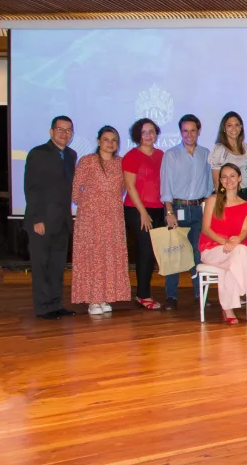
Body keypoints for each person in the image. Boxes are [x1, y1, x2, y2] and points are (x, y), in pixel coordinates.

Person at [199, 163, 247, 323]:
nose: (228, 180)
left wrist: (235, 242)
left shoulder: (245, 205)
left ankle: (228, 310)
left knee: (235, 259)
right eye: (224, 177)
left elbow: (244, 231)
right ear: (220, 180)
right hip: (211, 249)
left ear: (239, 178)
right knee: (239, 252)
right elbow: (206, 229)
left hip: (232, 251)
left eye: (232, 176)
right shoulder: (213, 200)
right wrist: (225, 242)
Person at [71, 126, 130, 314]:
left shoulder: (121, 163)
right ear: (98, 141)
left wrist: (109, 202)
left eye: (114, 140)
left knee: (110, 256)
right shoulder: (87, 161)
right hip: (91, 218)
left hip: (113, 217)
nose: (110, 143)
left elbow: (122, 189)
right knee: (93, 256)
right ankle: (93, 300)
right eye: (106, 139)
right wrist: (91, 206)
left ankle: (105, 297)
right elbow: (75, 191)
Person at [24, 116, 78, 320]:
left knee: (57, 266)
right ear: (51, 131)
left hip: (63, 221)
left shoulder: (71, 155)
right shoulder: (38, 153)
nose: (64, 133)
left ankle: (56, 304)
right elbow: (31, 187)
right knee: (41, 266)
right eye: (60, 129)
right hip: (42, 221)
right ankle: (43, 307)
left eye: (68, 130)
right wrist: (37, 218)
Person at [161, 114, 212, 309]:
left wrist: (206, 205)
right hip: (177, 209)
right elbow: (166, 186)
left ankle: (200, 295)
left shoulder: (206, 154)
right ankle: (171, 296)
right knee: (174, 254)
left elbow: (209, 185)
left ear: (199, 131)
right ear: (180, 132)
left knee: (198, 254)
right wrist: (169, 212)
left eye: (193, 130)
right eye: (185, 131)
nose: (189, 134)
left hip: (198, 211)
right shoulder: (171, 155)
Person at [123, 118, 166, 310]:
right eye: (144, 132)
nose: (148, 135)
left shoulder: (161, 155)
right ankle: (143, 295)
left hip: (158, 208)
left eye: (151, 131)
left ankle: (143, 292)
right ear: (137, 135)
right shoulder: (131, 156)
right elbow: (130, 187)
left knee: (152, 252)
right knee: (145, 251)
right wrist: (142, 212)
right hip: (137, 209)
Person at [209, 111, 247, 193]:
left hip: (245, 194)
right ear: (224, 128)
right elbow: (217, 183)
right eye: (229, 125)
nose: (234, 128)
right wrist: (224, 199)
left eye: (237, 125)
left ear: (241, 127)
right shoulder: (219, 149)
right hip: (228, 195)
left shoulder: (244, 146)